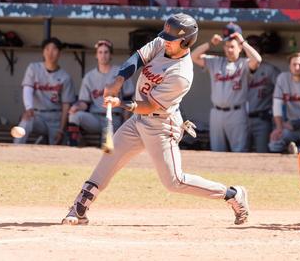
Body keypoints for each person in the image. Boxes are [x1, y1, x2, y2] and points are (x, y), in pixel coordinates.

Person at [61, 13, 249, 226]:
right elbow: (138, 58)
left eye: (172, 39)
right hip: (138, 120)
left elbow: (150, 105)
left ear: (186, 41)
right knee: (110, 157)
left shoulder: (181, 75)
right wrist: (118, 81)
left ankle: (232, 194)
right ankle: (80, 207)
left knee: (174, 182)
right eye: (165, 36)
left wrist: (120, 103)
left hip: (162, 125)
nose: (165, 41)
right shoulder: (163, 43)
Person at [191, 23, 262, 152]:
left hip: (237, 112)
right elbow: (193, 56)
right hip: (216, 113)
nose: (229, 49)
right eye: (227, 46)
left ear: (240, 48)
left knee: (240, 151)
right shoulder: (215, 62)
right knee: (217, 151)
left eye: (233, 46)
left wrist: (243, 42)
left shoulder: (244, 64)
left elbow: (257, 60)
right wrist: (210, 44)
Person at [67, 40, 134, 146]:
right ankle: (73, 147)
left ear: (111, 54)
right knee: (74, 116)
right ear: (96, 55)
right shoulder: (89, 77)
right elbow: (85, 103)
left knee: (107, 146)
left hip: (114, 118)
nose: (103, 55)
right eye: (100, 52)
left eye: (106, 52)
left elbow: (128, 99)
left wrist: (125, 122)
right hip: (94, 118)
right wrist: (77, 107)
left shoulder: (121, 72)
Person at [14, 37, 75, 145]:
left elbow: (66, 105)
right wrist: (28, 108)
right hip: (37, 115)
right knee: (26, 121)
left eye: (54, 49)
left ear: (59, 53)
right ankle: (15, 150)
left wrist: (61, 129)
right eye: (47, 49)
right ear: (43, 52)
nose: (50, 53)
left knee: (56, 148)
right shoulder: (33, 68)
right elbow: (27, 89)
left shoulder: (65, 77)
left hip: (55, 118)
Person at [246, 41, 280, 152]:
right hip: (240, 118)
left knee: (262, 152)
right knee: (239, 152)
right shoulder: (238, 67)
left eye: (255, 48)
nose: (253, 51)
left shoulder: (269, 70)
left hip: (262, 118)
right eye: (250, 47)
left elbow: (281, 91)